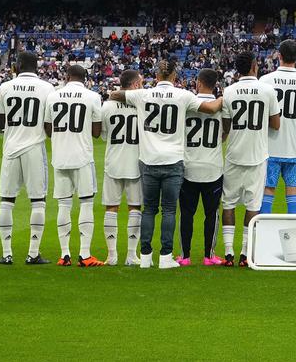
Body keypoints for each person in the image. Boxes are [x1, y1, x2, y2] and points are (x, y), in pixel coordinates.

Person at [111, 56, 221, 269]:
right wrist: (225, 98)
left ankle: (145, 257)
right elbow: (211, 108)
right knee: (169, 210)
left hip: (149, 160)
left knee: (149, 209)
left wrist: (116, 93)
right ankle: (165, 257)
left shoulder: (142, 94)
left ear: (155, 75)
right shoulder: (183, 95)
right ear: (174, 76)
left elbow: (116, 95)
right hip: (173, 160)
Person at [0, 50, 56, 265]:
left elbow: (1, 122)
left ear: (18, 65)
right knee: (38, 201)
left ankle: (6, 253)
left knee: (7, 200)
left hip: (11, 147)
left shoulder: (4, 87)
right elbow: (49, 125)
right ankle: (32, 253)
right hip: (34, 147)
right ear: (36, 66)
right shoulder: (48, 88)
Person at [220, 52, 280, 267]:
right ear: (255, 66)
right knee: (252, 205)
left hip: (235, 153)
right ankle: (245, 254)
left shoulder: (229, 91)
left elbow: (226, 126)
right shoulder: (268, 91)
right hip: (257, 154)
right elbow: (276, 124)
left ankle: (228, 253)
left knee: (228, 203)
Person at [43, 64, 104, 267]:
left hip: (60, 157)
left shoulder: (53, 96)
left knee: (64, 204)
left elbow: (48, 129)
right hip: (82, 157)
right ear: (84, 78)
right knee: (86, 203)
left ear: (67, 77)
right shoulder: (93, 97)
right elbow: (96, 132)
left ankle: (64, 254)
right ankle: (85, 254)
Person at [259, 40, 296, 215]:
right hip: (295, 147)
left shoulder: (265, 80)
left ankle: (262, 239)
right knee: (294, 197)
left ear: (279, 56)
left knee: (267, 194)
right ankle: (294, 241)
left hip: (269, 147)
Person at [180, 69, 226, 266]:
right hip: (212, 166)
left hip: (189, 165)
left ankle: (185, 256)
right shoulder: (221, 105)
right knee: (212, 213)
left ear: (198, 83)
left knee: (186, 213)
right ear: (215, 84)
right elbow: (225, 133)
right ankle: (209, 256)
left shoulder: (186, 103)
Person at [101, 70, 142, 266]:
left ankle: (112, 256)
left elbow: (102, 134)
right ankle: (132, 255)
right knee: (135, 207)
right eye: (140, 83)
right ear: (134, 85)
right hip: (136, 161)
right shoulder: (142, 104)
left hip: (113, 161)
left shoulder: (107, 105)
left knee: (111, 207)